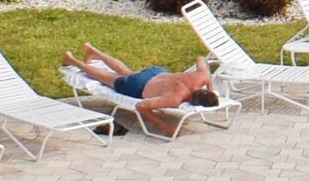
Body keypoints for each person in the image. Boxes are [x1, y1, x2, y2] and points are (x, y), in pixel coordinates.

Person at [60, 41, 216, 136]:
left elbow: (201, 58)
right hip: (139, 86)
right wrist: (162, 125)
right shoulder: (175, 99)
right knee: (106, 78)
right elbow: (141, 106)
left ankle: (93, 51)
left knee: (126, 72)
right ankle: (72, 60)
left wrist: (211, 87)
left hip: (156, 72)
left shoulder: (200, 77)